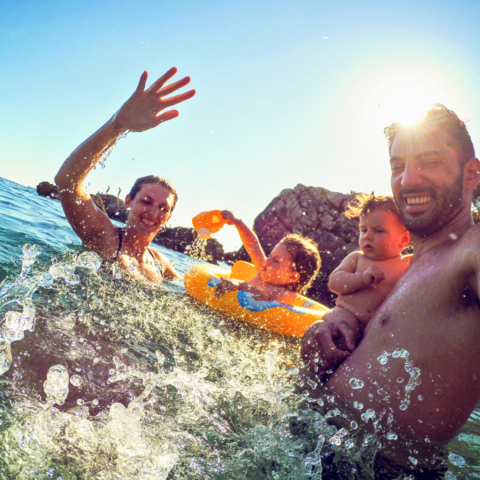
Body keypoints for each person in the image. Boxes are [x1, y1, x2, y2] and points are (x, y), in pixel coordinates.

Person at [301, 105, 480, 471]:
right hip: (315, 441)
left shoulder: (469, 250)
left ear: (471, 174)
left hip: (375, 467)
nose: (408, 180)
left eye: (430, 161)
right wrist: (335, 322)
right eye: (398, 166)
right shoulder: (407, 269)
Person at [55, 67, 195, 282]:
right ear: (128, 201)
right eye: (146, 201)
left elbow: (191, 295)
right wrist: (118, 125)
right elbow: (67, 182)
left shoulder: (159, 262)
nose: (153, 213)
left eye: (163, 208)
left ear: (168, 217)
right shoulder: (104, 236)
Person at [310, 194, 411, 376]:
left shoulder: (406, 264)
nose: (368, 236)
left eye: (378, 231)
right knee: (335, 341)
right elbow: (334, 282)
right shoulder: (357, 258)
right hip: (344, 316)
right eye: (363, 230)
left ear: (404, 240)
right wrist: (362, 278)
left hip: (371, 332)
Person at [214, 211, 321, 303]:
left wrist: (238, 284)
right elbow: (253, 244)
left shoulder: (286, 295)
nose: (268, 260)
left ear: (293, 277)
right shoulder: (263, 271)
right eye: (270, 256)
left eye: (276, 260)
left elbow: (261, 297)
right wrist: (238, 222)